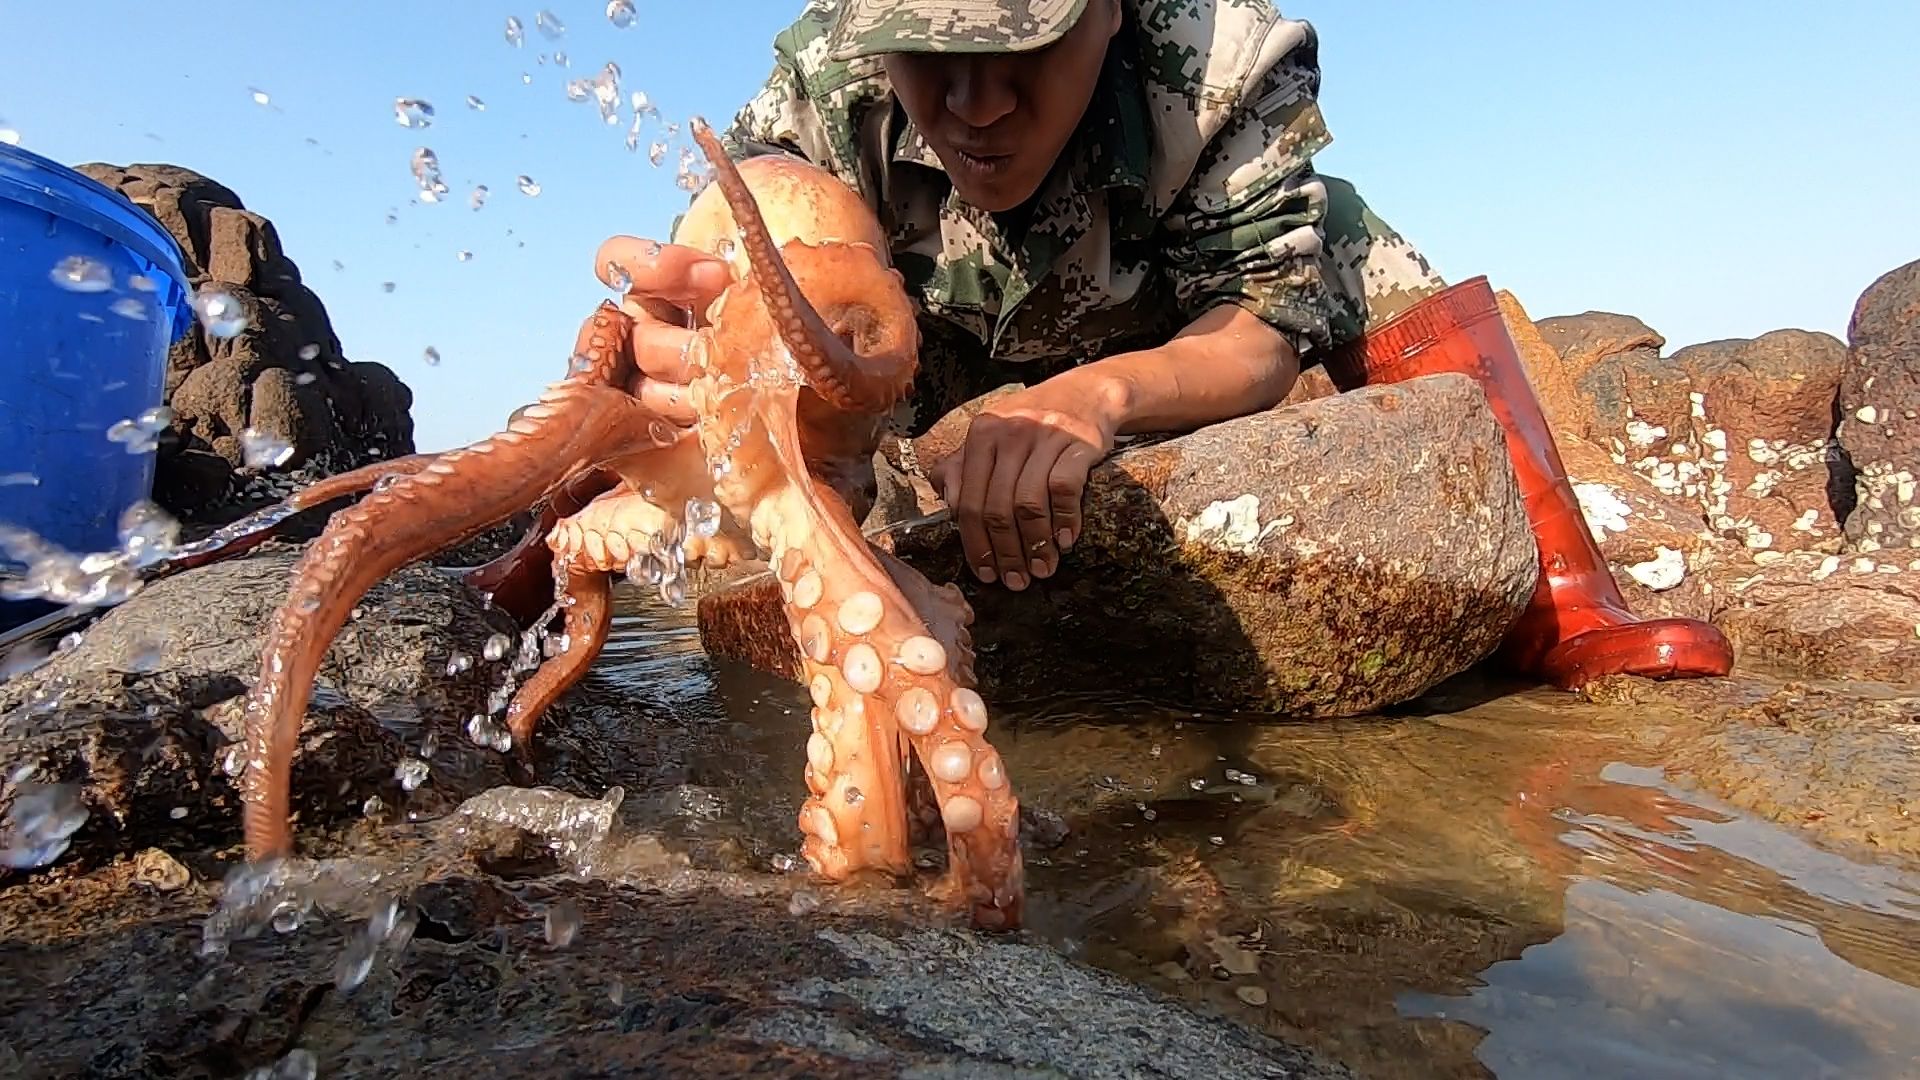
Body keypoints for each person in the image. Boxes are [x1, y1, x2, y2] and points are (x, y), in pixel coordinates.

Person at [587, 0, 1733, 689]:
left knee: (1340, 231)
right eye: (932, 59)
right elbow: (741, 281)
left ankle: (1566, 603)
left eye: (1025, 46)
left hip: (1151, 324)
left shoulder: (1220, 56)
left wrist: (1096, 399)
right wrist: (699, 337)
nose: (977, 105)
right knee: (731, 278)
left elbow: (1264, 331)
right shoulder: (826, 78)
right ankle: (603, 563)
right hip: (917, 337)